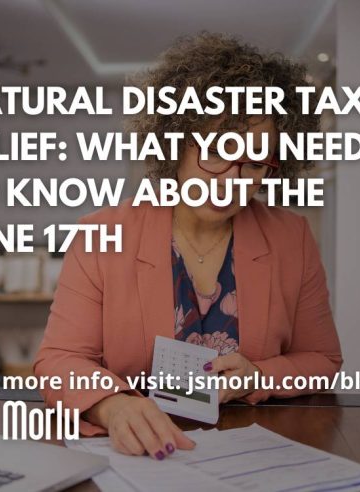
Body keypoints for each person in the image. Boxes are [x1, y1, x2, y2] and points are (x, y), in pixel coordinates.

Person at [34, 33, 342, 460]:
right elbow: (58, 360)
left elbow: (323, 359)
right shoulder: (100, 233)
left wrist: (259, 375)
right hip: (136, 455)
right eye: (217, 152)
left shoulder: (293, 237)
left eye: (254, 162)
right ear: (175, 142)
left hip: (251, 458)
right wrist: (111, 405)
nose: (233, 180)